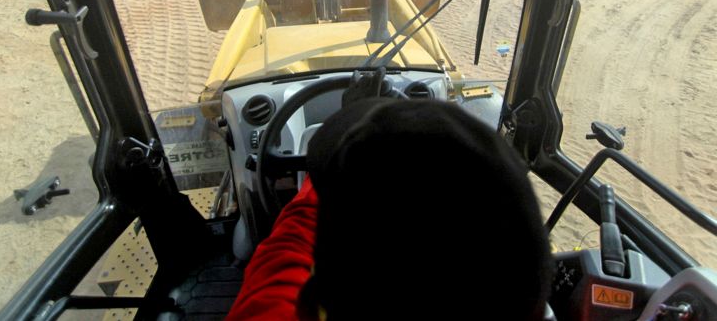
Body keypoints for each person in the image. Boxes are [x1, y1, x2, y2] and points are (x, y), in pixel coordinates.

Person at [226, 97, 554, 320]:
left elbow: (286, 252)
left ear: (319, 305)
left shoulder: (273, 310)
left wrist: (330, 177)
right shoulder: (520, 290)